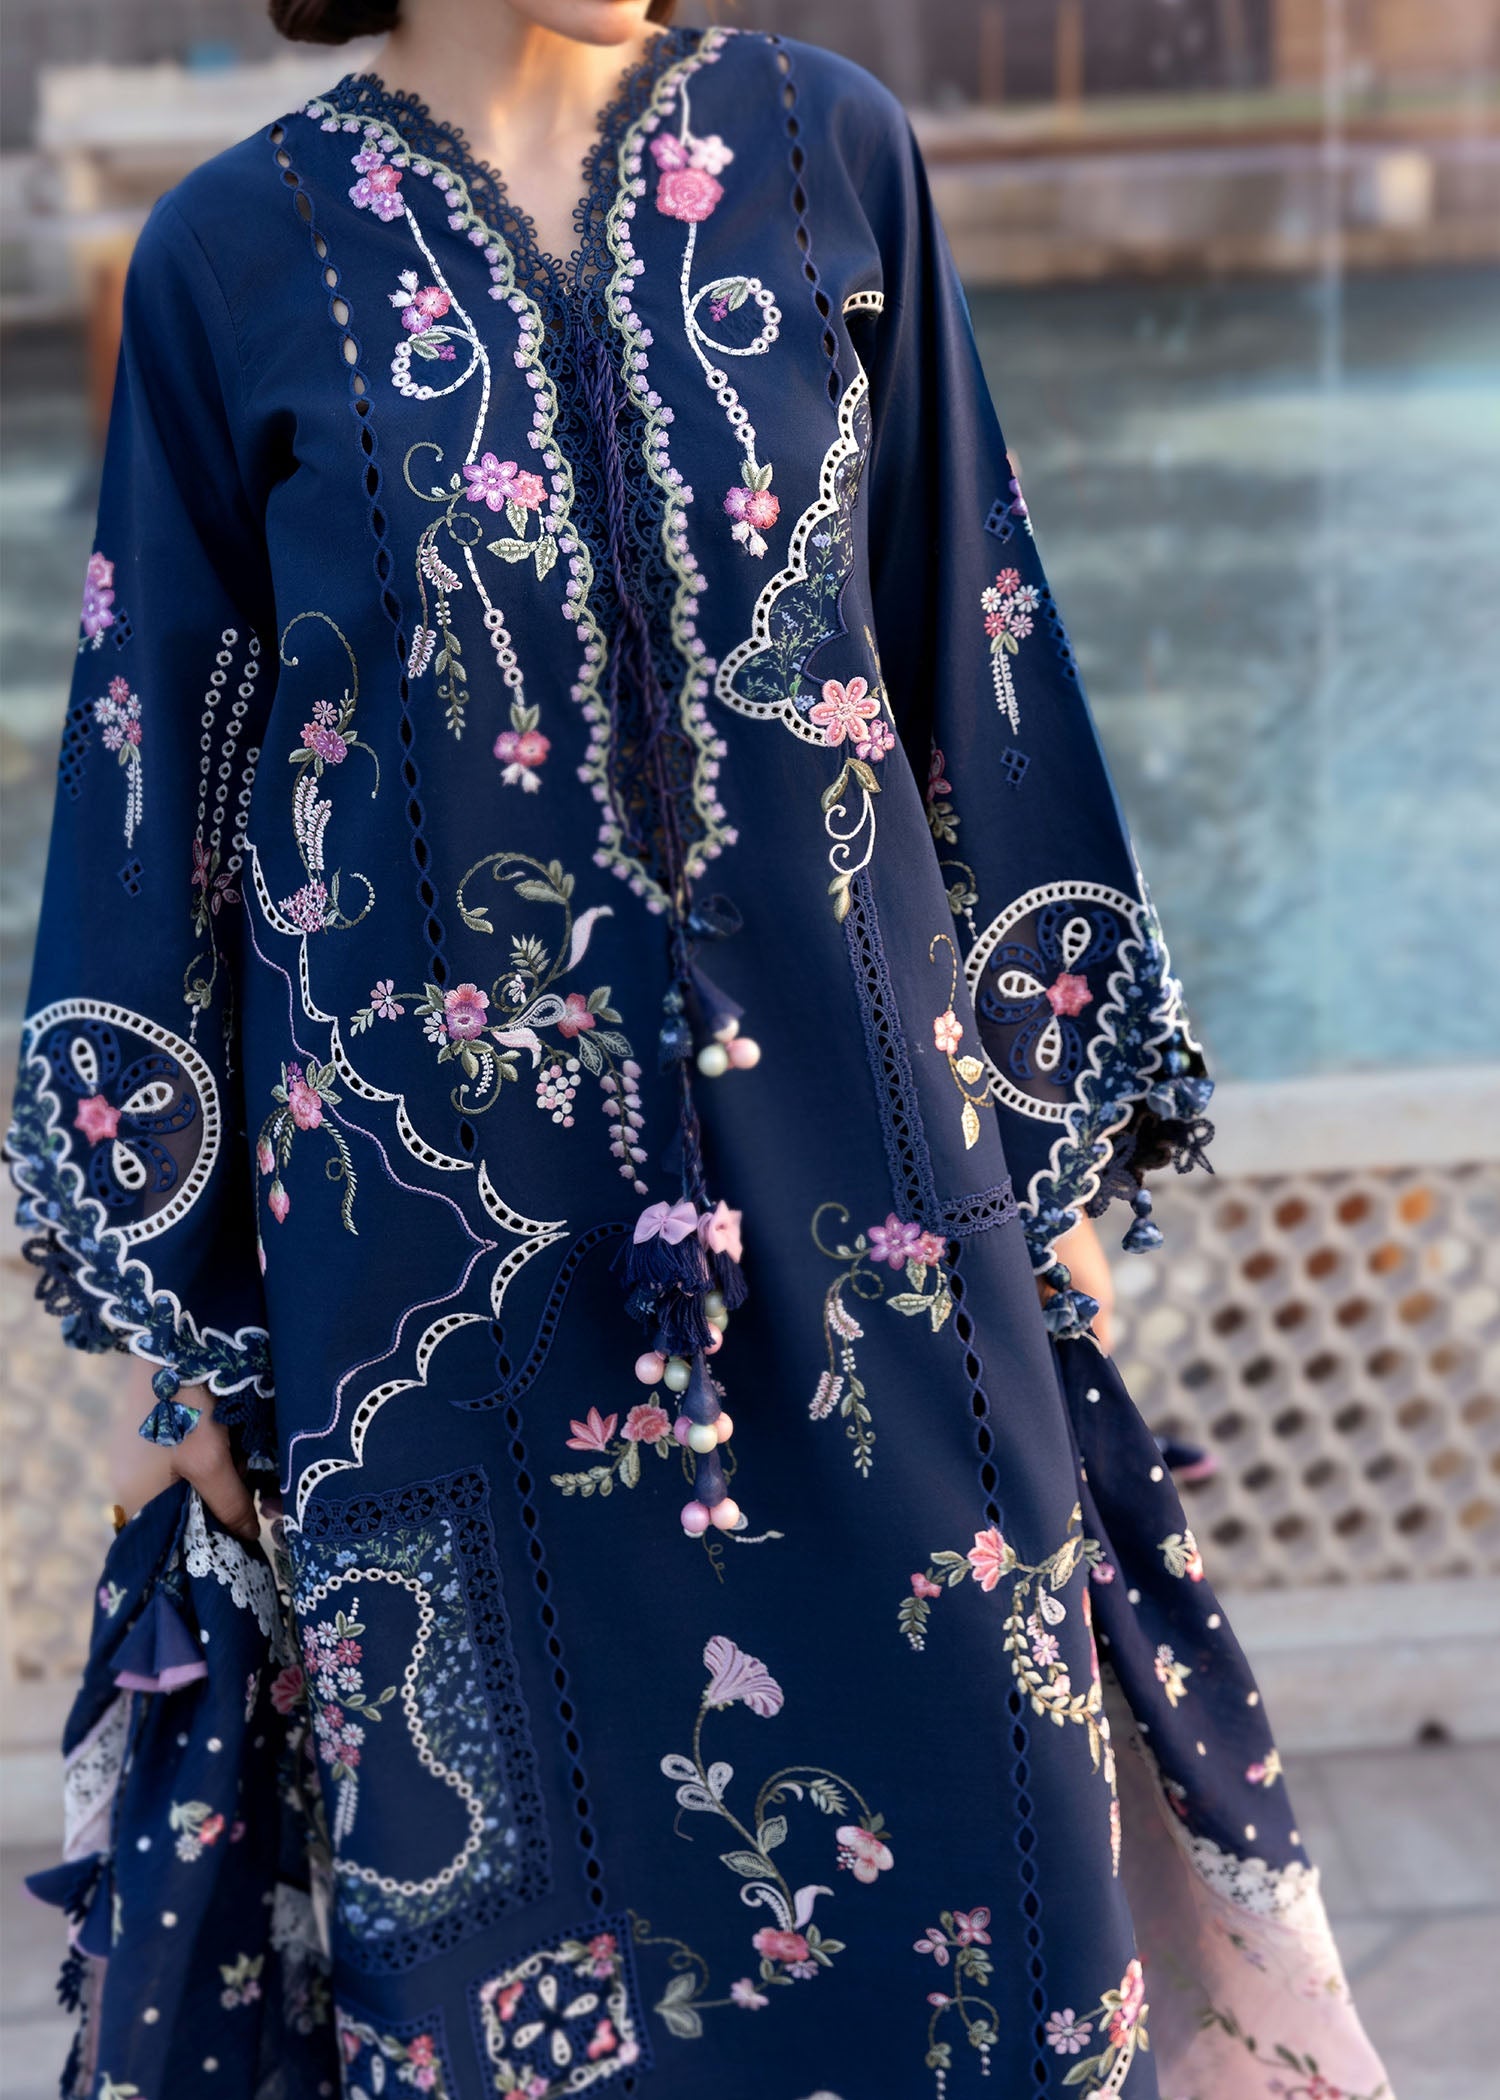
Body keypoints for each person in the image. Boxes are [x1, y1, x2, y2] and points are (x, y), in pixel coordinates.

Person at [6, 2, 1391, 2095]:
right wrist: (178, 1327)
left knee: (1003, 1954)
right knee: (511, 1998)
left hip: (886, 1237)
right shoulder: (233, 252)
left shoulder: (831, 150)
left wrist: (1050, 1155)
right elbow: (157, 779)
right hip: (438, 1321)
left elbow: (971, 639)